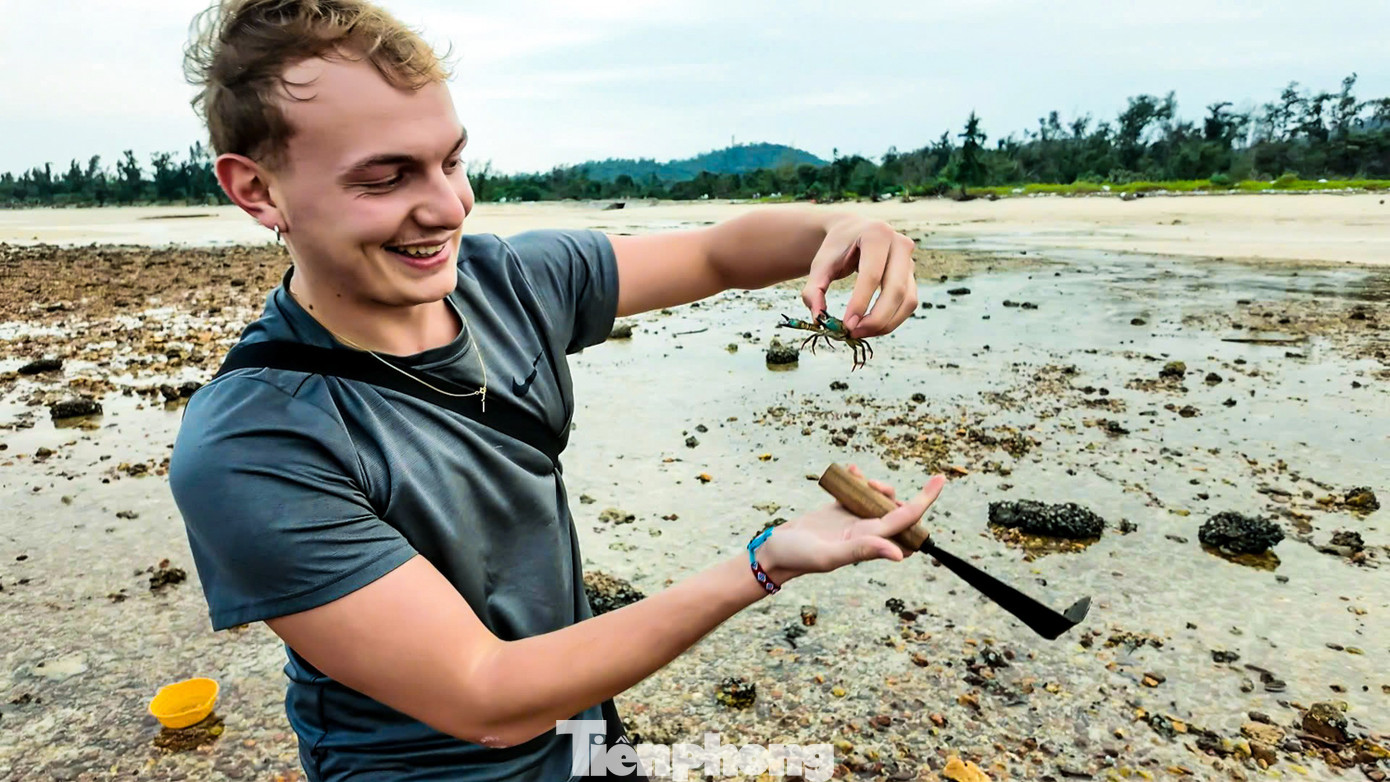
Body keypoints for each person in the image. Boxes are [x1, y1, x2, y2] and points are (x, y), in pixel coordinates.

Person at [169, 1, 946, 780]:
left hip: (586, 741)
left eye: (452, 161)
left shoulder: (508, 282)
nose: (449, 208)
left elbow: (716, 255)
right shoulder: (252, 445)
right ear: (258, 190)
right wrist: (766, 561)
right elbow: (485, 696)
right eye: (386, 176)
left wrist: (843, 230)